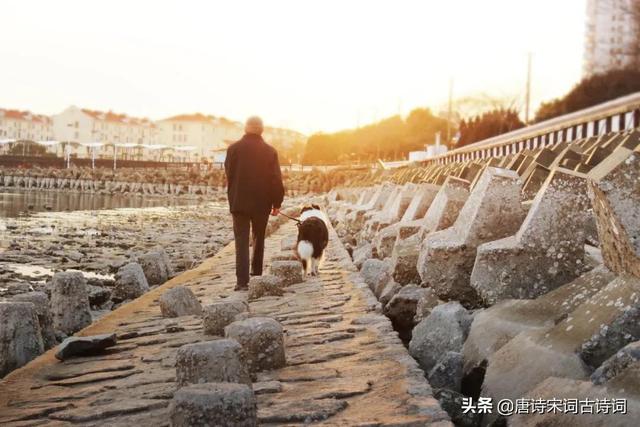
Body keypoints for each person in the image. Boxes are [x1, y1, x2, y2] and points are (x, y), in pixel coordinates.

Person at [225, 116, 285, 290]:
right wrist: (277, 203)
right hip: (261, 203)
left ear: (245, 128)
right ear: (262, 129)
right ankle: (256, 274)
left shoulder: (233, 149)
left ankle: (241, 282)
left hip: (239, 202)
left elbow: (229, 174)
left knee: (241, 241)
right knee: (259, 238)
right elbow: (276, 180)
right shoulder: (269, 151)